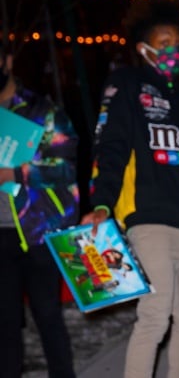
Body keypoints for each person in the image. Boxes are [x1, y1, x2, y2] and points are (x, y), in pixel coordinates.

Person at [80, 0, 179, 378]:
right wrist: (102, 202)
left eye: (178, 43)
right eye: (164, 43)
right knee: (155, 315)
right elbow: (110, 147)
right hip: (151, 220)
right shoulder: (126, 85)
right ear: (143, 49)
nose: (175, 49)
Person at [0, 50, 79, 377]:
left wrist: (16, 174)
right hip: (0, 238)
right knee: (3, 327)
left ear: (7, 60)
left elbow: (66, 168)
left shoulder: (41, 110)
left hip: (38, 231)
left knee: (48, 317)